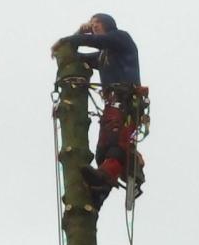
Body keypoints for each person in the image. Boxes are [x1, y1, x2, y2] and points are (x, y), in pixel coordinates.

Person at [51, 13, 143, 209]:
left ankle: (133, 166)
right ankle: (99, 191)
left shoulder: (120, 38)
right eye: (91, 24)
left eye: (97, 23)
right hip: (113, 103)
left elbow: (97, 41)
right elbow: (74, 56)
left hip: (128, 102)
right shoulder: (103, 55)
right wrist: (77, 34)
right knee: (103, 151)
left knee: (116, 145)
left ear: (108, 24)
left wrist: (67, 39)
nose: (93, 27)